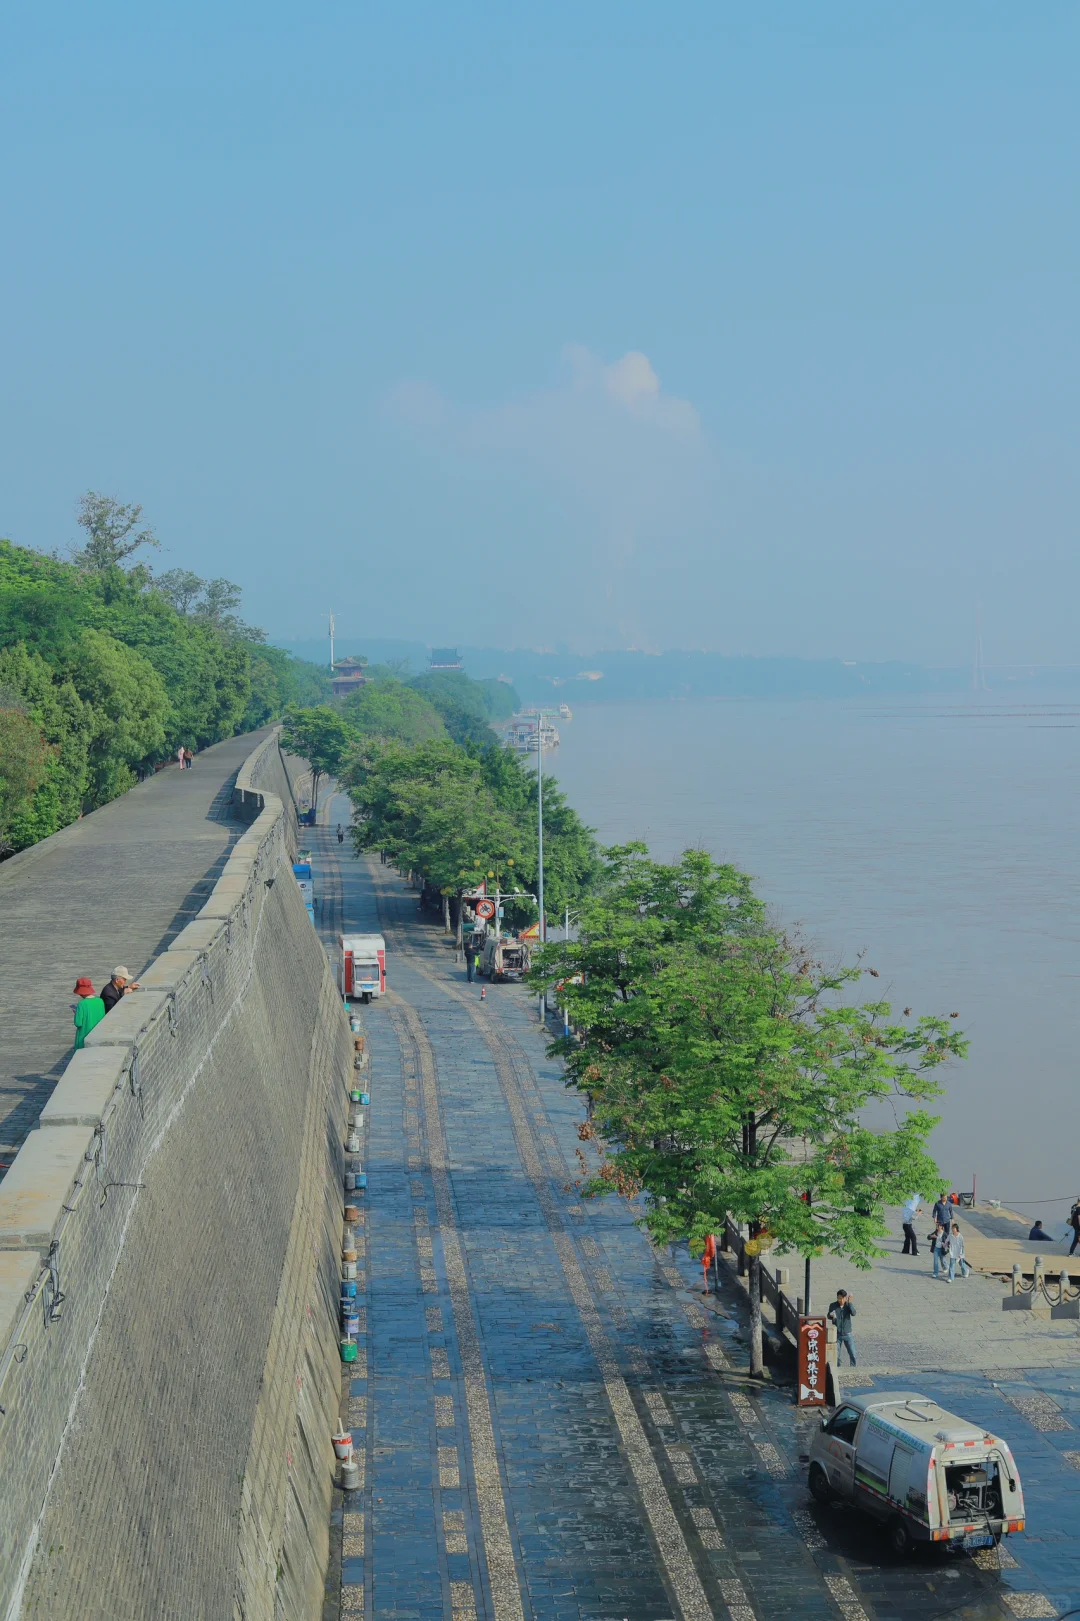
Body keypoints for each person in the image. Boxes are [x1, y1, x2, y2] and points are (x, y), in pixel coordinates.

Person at [72, 978, 106, 1049]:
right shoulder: (100, 1001)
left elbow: (78, 1023)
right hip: (97, 1035)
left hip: (83, 1036)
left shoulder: (82, 1004)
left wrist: (76, 1013)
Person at [827, 1289, 857, 1366]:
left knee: (853, 1353)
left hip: (847, 1333)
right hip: (837, 1333)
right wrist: (830, 1315)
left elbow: (853, 1313)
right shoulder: (833, 1305)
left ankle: (853, 1368)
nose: (840, 1300)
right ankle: (838, 1368)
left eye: (842, 1298)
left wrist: (850, 1303)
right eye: (838, 1298)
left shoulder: (848, 1305)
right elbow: (828, 1316)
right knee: (837, 1355)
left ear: (845, 1298)